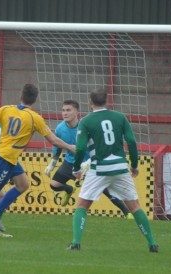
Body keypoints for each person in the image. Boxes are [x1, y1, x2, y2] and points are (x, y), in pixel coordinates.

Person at [0, 83, 75, 239]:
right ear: (35, 100)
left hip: (9, 158)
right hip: (4, 158)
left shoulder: (7, 109)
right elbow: (53, 140)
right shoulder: (35, 118)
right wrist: (71, 148)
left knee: (23, 184)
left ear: (21, 96)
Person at [68, 88, 158, 252]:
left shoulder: (86, 121)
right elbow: (131, 141)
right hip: (120, 168)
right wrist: (135, 165)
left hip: (99, 169)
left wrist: (76, 169)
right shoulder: (120, 117)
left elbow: (80, 148)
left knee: (82, 205)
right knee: (135, 206)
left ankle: (76, 243)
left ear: (90, 101)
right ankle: (152, 243)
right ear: (106, 101)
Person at [45, 100, 133, 218]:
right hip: (70, 162)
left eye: (68, 110)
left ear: (76, 112)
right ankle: (69, 190)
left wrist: (90, 161)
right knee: (54, 185)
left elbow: (99, 146)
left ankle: (126, 212)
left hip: (89, 163)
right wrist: (53, 162)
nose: (65, 113)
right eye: (63, 110)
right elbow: (58, 145)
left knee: (106, 189)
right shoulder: (60, 128)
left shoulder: (86, 125)